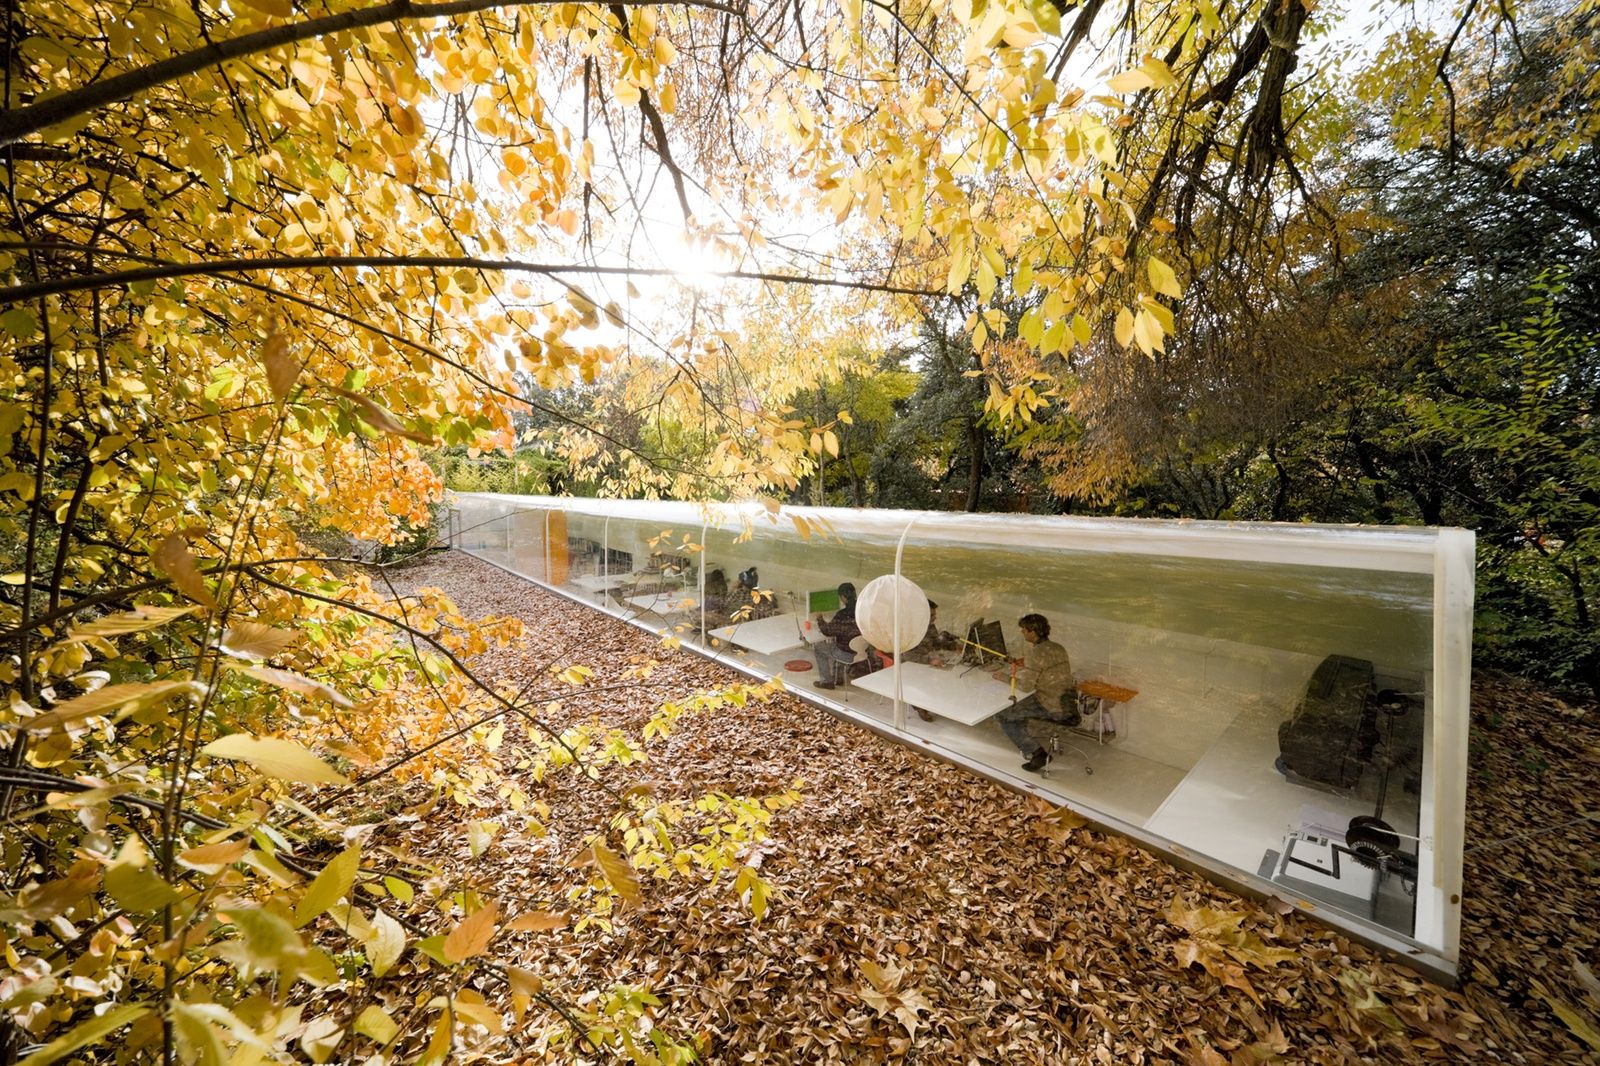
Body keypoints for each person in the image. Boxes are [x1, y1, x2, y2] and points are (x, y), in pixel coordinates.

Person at [993, 613, 1076, 772]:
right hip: (1067, 700)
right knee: (1017, 710)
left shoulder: (1035, 653)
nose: (1022, 632)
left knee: (1003, 715)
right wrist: (1025, 663)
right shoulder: (1057, 647)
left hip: (1050, 704)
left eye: (1024, 630)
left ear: (1033, 632)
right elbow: (1046, 666)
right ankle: (1026, 740)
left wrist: (1003, 677)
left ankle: (1037, 753)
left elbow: (1025, 686)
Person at [903, 601, 962, 721]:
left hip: (926, 659)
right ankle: (920, 706)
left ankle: (938, 700)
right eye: (932, 615)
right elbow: (907, 655)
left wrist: (953, 646)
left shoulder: (930, 626)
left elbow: (936, 643)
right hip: (910, 664)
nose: (935, 618)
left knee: (950, 673)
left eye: (935, 614)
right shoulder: (909, 630)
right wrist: (929, 660)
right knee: (926, 680)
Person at [812, 581, 860, 689]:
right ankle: (838, 678)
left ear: (843, 597)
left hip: (847, 654)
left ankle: (826, 682)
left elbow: (827, 631)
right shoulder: (862, 610)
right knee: (837, 643)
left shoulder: (842, 614)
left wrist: (819, 618)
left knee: (819, 648)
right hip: (862, 652)